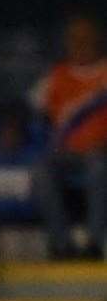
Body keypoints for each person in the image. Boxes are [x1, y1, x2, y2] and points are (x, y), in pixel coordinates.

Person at [30, 13, 107, 260]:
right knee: (41, 169)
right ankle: (61, 244)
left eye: (86, 38)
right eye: (75, 39)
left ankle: (94, 243)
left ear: (98, 40)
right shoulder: (56, 75)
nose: (80, 44)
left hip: (100, 152)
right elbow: (26, 107)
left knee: (99, 167)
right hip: (64, 152)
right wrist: (10, 128)